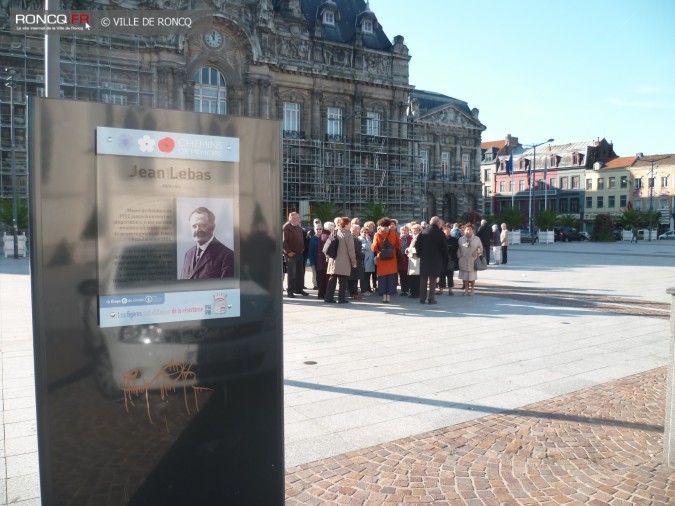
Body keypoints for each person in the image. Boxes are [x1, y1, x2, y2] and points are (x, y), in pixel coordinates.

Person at [180, 206, 234, 279]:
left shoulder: (227, 256)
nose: (197, 230)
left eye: (203, 225)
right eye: (194, 226)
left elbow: (226, 289)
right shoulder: (188, 255)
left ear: (213, 227)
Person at [415, 216, 448, 304]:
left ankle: (422, 299)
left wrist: (419, 254)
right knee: (433, 280)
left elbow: (417, 244)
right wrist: (444, 258)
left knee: (423, 279)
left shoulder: (423, 231)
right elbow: (444, 248)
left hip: (424, 259)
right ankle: (431, 299)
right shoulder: (440, 233)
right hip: (436, 260)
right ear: (438, 223)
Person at [325, 217, 357, 304]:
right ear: (346, 224)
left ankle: (328, 297)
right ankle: (341, 298)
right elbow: (351, 250)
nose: (350, 225)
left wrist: (328, 258)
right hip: (344, 261)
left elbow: (327, 247)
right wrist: (353, 262)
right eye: (349, 224)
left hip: (333, 260)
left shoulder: (334, 232)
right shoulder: (348, 234)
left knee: (332, 280)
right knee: (343, 281)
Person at [371, 217, 402, 303]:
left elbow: (373, 248)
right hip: (392, 259)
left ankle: (383, 295)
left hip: (381, 259)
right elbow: (399, 245)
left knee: (382, 278)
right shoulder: (394, 233)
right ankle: (388, 295)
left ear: (380, 225)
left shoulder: (377, 234)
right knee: (391, 278)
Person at [282, 211, 308, 297]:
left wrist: (302, 248)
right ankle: (290, 291)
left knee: (300, 273)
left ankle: (299, 289)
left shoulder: (298, 227)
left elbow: (301, 239)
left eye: (299, 218)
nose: (299, 220)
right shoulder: (286, 227)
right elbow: (283, 242)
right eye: (297, 218)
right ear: (291, 218)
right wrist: (288, 252)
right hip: (291, 255)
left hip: (299, 253)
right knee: (292, 274)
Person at [458, 224, 483, 296]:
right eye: (466, 229)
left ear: (472, 230)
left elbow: (481, 249)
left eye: (469, 230)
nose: (468, 231)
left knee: (472, 277)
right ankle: (466, 289)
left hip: (473, 260)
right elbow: (459, 249)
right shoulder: (461, 239)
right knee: (465, 277)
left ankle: (472, 289)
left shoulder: (477, 239)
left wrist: (477, 251)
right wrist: (459, 256)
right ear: (464, 230)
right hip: (464, 260)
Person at [438, 223, 459, 295]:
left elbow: (456, 248)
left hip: (451, 259)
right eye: (446, 231)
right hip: (442, 259)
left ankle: (450, 290)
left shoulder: (454, 239)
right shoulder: (440, 239)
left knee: (450, 275)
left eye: (449, 231)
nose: (448, 232)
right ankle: (441, 289)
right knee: (441, 274)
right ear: (443, 231)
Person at [316, 222, 334, 299]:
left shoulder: (325, 234)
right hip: (324, 261)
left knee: (324, 278)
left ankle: (322, 294)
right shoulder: (326, 236)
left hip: (323, 261)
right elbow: (325, 250)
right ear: (330, 228)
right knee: (325, 278)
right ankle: (324, 294)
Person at [406, 223, 422, 299]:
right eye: (413, 230)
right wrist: (408, 249)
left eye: (415, 230)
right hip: (412, 258)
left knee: (416, 277)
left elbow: (419, 249)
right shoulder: (414, 237)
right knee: (413, 276)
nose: (413, 232)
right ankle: (414, 292)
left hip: (416, 259)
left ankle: (415, 293)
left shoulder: (419, 238)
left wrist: (409, 249)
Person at [348, 224, 364, 299]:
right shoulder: (354, 238)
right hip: (355, 260)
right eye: (358, 229)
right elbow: (356, 251)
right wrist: (363, 255)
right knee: (354, 278)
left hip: (351, 260)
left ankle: (352, 293)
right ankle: (354, 293)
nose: (359, 231)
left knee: (352, 278)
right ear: (353, 230)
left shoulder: (351, 237)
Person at [359, 227, 375, 294]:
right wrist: (369, 242)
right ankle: (364, 290)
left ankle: (368, 289)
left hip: (369, 261)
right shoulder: (360, 239)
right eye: (364, 232)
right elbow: (366, 247)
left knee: (368, 276)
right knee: (364, 277)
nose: (366, 234)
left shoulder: (368, 240)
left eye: (367, 232)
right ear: (361, 232)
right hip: (364, 261)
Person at [307, 221, 322, 289]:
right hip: (315, 260)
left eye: (320, 229)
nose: (318, 230)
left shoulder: (324, 237)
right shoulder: (313, 239)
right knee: (315, 273)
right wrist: (312, 263)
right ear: (314, 230)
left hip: (322, 260)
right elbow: (310, 252)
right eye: (317, 229)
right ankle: (315, 285)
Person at [397, 224, 412, 296]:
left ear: (408, 231)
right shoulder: (398, 239)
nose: (404, 232)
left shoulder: (410, 238)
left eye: (405, 231)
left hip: (407, 258)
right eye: (402, 231)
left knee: (407, 275)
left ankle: (407, 289)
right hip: (400, 259)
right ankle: (403, 290)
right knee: (402, 275)